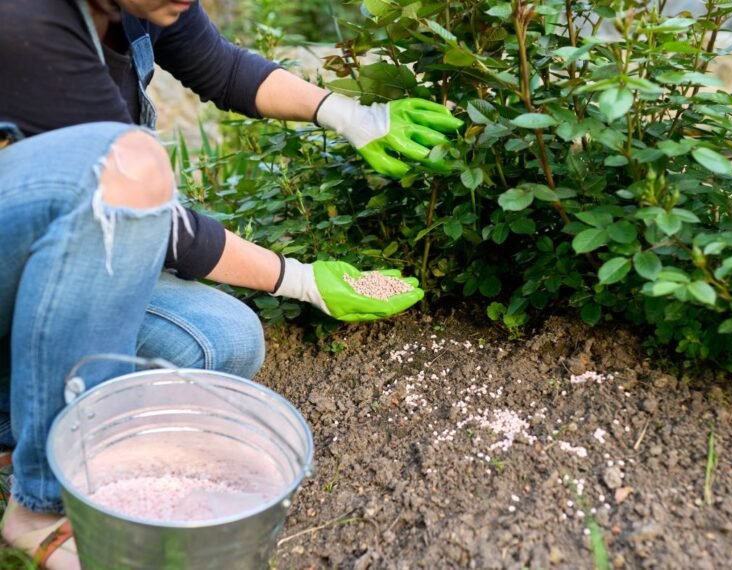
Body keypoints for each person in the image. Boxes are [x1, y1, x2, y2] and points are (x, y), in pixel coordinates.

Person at [0, 0, 463, 566]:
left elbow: (221, 67)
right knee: (127, 165)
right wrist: (301, 280)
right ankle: (41, 506)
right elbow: (152, 214)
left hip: (55, 266)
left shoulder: (145, 5)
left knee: (220, 341)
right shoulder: (24, 21)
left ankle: (15, 418)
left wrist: (347, 114)